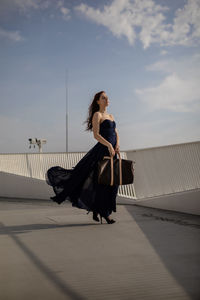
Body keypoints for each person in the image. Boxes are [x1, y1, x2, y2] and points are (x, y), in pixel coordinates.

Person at [46, 91, 120, 224]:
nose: (106, 99)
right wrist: (109, 145)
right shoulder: (97, 115)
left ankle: (98, 210)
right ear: (98, 101)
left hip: (112, 153)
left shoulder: (111, 115)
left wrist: (117, 146)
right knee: (102, 183)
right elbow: (96, 135)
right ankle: (105, 214)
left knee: (113, 183)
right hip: (102, 151)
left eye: (107, 97)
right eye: (103, 97)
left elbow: (115, 132)